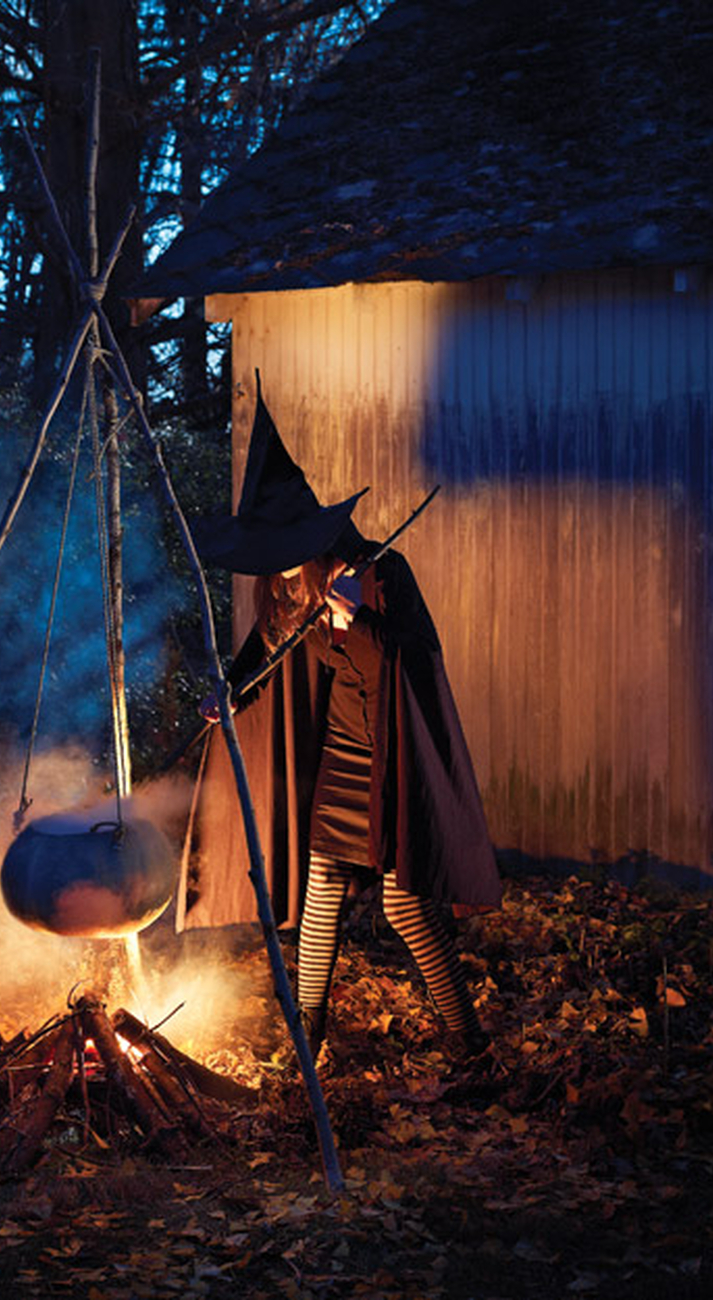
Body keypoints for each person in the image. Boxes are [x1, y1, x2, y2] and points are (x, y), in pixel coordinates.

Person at [187, 378, 501, 1063]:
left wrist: (352, 617)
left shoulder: (382, 573)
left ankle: (465, 1039)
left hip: (393, 752)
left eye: (284, 553)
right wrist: (230, 691)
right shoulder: (292, 583)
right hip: (340, 752)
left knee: (406, 905)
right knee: (322, 887)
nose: (279, 572)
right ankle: (308, 1036)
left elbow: (415, 661)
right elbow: (266, 647)